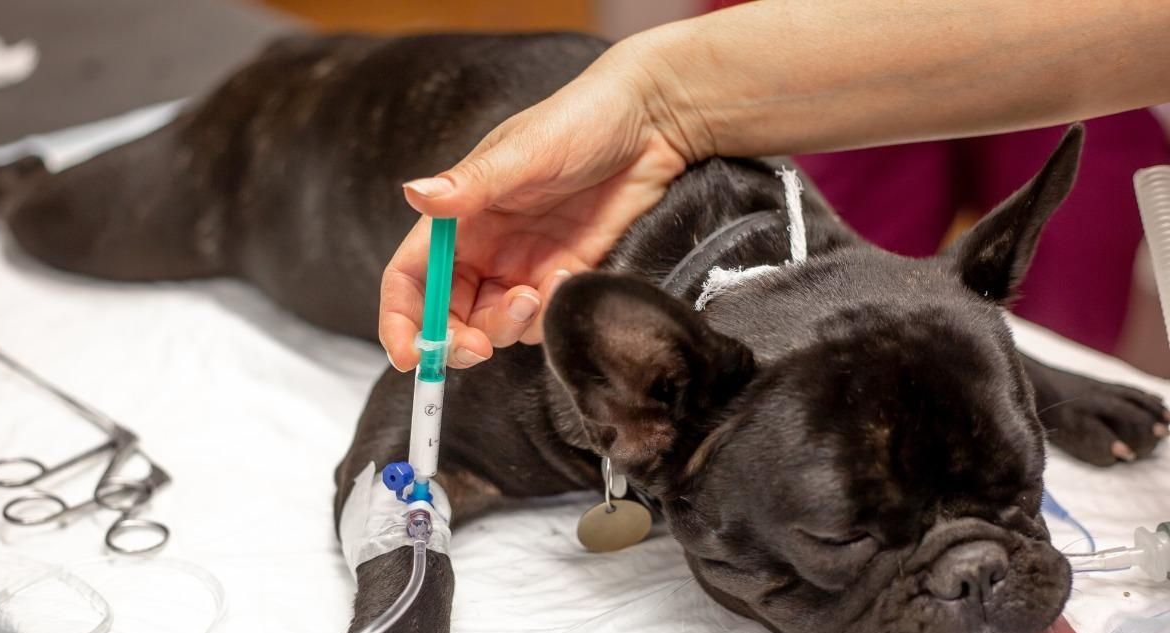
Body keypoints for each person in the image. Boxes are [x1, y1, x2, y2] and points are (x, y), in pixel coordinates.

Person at [379, 0, 1170, 371]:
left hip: (1101, 48)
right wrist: (658, 99)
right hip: (819, 34)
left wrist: (664, 97)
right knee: (798, 316)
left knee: (1060, 307)